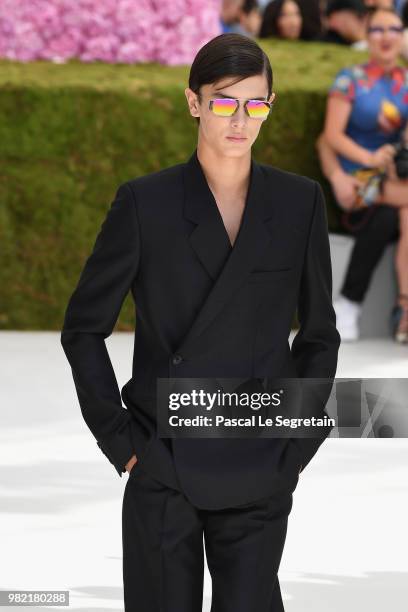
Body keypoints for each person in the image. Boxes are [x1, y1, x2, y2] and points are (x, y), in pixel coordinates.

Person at [61, 32, 340, 612]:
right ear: (194, 103)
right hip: (163, 460)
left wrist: (298, 443)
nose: (240, 120)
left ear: (269, 106)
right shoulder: (145, 203)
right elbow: (84, 328)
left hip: (260, 460)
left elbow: (317, 335)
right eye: (223, 101)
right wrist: (122, 442)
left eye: (255, 103)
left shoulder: (299, 203)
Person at [317, 6, 408, 342]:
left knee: (398, 215)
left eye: (394, 30)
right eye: (378, 30)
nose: (386, 37)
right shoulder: (350, 79)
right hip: (360, 181)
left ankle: (397, 309)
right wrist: (368, 158)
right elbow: (331, 136)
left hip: (396, 182)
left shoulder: (407, 81)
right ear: (366, 36)